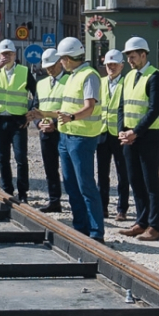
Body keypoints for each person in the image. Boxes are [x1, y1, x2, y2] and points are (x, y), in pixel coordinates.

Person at [44, 37, 104, 240]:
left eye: (61, 59)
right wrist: (46, 115)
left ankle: (96, 233)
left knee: (86, 185)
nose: (60, 62)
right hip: (67, 136)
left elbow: (89, 107)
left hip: (82, 137)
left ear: (68, 59)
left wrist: (71, 117)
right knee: (71, 184)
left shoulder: (89, 76)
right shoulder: (72, 76)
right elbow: (68, 106)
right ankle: (81, 228)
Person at [119, 37, 159, 241]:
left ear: (143, 55)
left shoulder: (155, 76)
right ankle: (141, 221)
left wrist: (136, 131)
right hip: (130, 137)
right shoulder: (129, 77)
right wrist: (121, 130)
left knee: (151, 182)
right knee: (135, 180)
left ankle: (155, 226)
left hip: (149, 136)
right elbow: (122, 106)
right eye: (128, 57)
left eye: (132, 56)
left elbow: (154, 109)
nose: (130, 60)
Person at [0, 39, 36, 202]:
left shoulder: (23, 71)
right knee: (3, 157)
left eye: (9, 54)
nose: (6, 57)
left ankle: (23, 193)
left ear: (14, 55)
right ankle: (7, 189)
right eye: (3, 54)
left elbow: (36, 91)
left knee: (21, 158)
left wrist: (32, 111)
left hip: (18, 120)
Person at [95, 50, 130, 223]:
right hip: (102, 133)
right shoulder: (100, 83)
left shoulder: (126, 83)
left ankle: (122, 209)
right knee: (102, 173)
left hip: (119, 134)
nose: (112, 67)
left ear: (122, 66)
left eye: (115, 64)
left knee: (123, 173)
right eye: (109, 65)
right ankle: (102, 207)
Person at [32, 49, 66, 212]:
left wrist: (55, 123)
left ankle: (76, 201)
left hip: (65, 131)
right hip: (45, 132)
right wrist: (38, 123)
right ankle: (54, 201)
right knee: (50, 169)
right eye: (47, 67)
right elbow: (35, 107)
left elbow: (72, 107)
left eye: (52, 66)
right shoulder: (41, 83)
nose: (50, 70)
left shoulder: (69, 81)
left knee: (69, 170)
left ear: (60, 62)